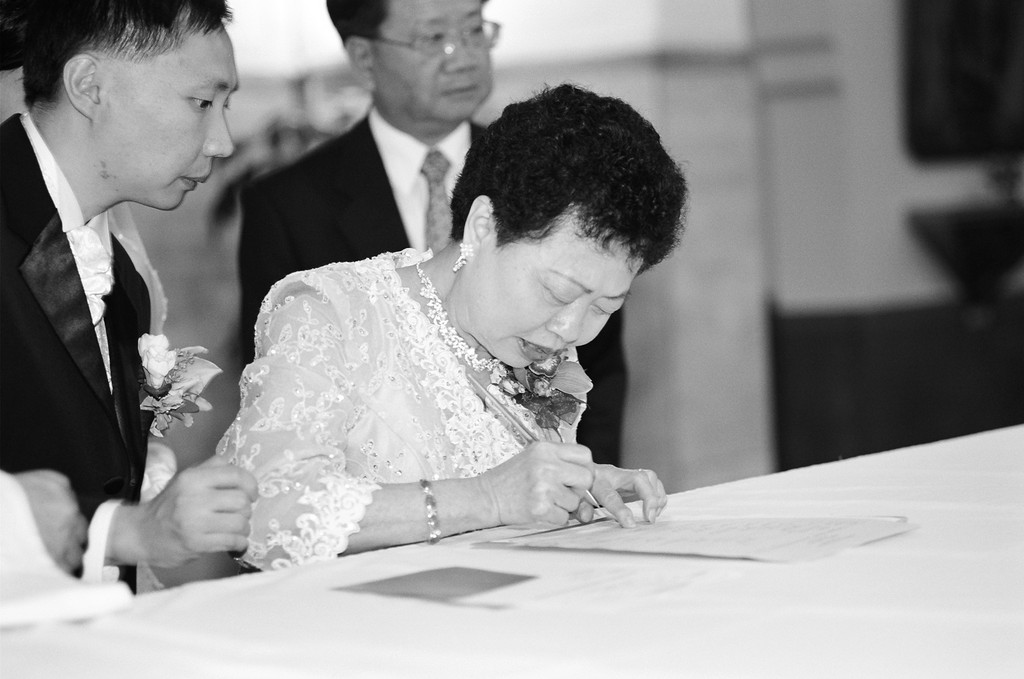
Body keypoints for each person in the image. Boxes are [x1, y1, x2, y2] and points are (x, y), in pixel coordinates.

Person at [218, 83, 687, 570]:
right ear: (484, 226)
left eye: (604, 306)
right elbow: (263, 516)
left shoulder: (533, 341)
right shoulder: (331, 312)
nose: (571, 329)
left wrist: (573, 487)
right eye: (558, 292)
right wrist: (486, 498)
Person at [236, 0, 630, 466]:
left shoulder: (558, 177)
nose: (463, 56)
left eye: (474, 31)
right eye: (434, 37)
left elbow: (598, 368)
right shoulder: (288, 204)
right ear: (364, 57)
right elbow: (283, 396)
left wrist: (583, 481)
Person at [1, 0, 257, 587]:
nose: (222, 143)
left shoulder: (122, 272)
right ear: (90, 87)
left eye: (226, 107)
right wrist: (121, 533)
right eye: (202, 103)